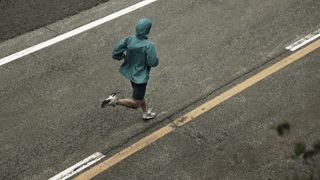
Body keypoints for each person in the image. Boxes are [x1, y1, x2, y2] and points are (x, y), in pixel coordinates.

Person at [101, 18, 159, 120]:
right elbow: (153, 62)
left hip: (131, 73)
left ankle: (146, 113)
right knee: (136, 102)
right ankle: (115, 101)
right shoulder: (149, 45)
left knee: (139, 95)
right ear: (147, 30)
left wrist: (121, 57)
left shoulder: (129, 39)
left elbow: (116, 52)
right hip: (140, 77)